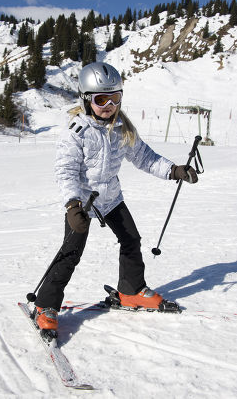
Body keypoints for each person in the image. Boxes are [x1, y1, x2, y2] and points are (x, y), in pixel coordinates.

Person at [34, 62, 198, 330]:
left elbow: (146, 158)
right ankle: (46, 305)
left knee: (131, 240)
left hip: (111, 198)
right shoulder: (77, 131)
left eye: (115, 98)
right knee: (70, 252)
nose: (109, 105)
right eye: (101, 99)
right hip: (83, 203)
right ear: (87, 100)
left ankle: (131, 290)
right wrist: (73, 205)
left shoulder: (121, 129)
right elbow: (65, 171)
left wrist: (174, 170)